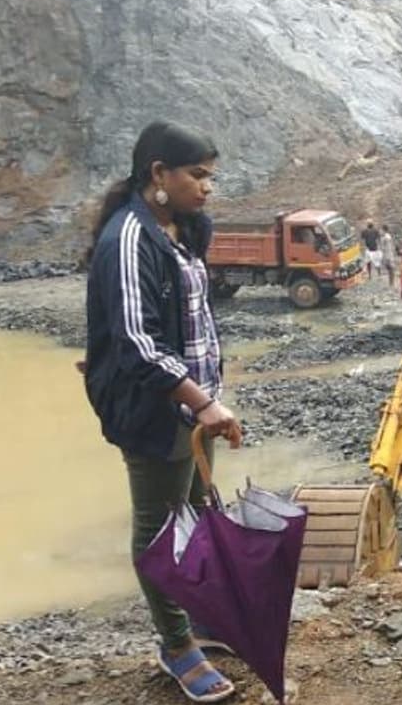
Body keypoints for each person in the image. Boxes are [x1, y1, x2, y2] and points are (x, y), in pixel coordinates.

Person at [83, 121, 242, 703]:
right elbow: (138, 341)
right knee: (159, 528)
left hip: (194, 403)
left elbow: (181, 317)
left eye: (211, 177)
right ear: (158, 174)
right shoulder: (130, 237)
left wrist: (207, 398)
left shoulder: (182, 229)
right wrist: (204, 403)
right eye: (197, 176)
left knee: (196, 510)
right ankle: (176, 645)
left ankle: (198, 621)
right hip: (158, 408)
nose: (207, 188)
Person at [379, 224, 398, 288]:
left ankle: (392, 283)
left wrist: (388, 257)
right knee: (389, 268)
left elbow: (389, 248)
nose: (380, 231)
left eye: (381, 230)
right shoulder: (383, 237)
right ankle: (390, 283)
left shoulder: (387, 238)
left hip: (388, 255)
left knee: (391, 268)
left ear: (384, 230)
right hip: (386, 254)